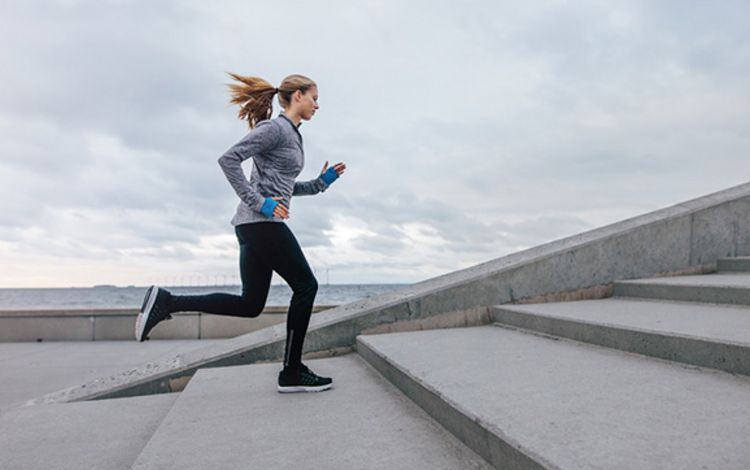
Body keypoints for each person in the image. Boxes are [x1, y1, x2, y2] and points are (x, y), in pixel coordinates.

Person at [134, 73, 346, 393]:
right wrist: (259, 203)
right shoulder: (274, 128)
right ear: (298, 95)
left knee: (250, 304)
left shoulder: (292, 134)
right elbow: (229, 160)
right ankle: (291, 371)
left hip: (252, 226)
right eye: (314, 97)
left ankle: (167, 301)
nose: (318, 104)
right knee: (306, 286)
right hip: (261, 224)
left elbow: (284, 187)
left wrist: (320, 183)